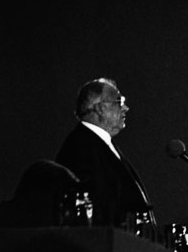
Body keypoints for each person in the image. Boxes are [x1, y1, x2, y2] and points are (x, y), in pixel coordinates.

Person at [55, 77, 156, 230]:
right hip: (108, 246)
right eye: (119, 102)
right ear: (99, 107)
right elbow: (93, 205)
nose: (126, 108)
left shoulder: (100, 144)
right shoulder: (81, 146)